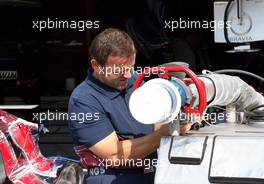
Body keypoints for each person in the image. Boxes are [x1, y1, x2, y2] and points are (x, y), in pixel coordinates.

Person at [68, 28, 190, 184]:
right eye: (119, 69)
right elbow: (114, 155)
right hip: (112, 178)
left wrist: (180, 120)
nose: (127, 75)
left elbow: (157, 123)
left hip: (153, 174)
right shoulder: (83, 100)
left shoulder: (134, 80)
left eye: (130, 67)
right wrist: (166, 133)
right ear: (96, 65)